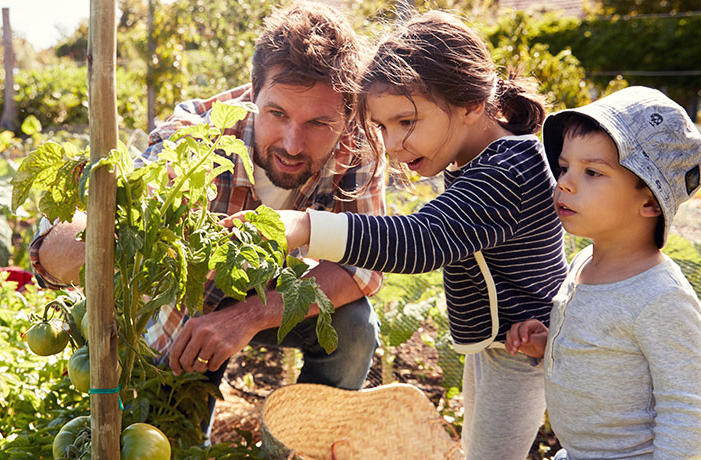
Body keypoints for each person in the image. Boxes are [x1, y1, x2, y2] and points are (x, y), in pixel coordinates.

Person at [232, 11, 570, 460]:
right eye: (383, 126)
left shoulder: (507, 172)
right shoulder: (483, 161)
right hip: (503, 345)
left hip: (522, 351)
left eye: (406, 122)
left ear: (471, 105)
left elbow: (420, 239)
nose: (391, 144)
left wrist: (305, 227)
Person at [31, 2, 385, 397]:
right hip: (190, 310)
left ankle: (307, 442)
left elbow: (363, 266)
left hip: (276, 294)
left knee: (354, 327)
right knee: (173, 431)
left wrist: (249, 315)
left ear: (348, 113)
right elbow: (120, 212)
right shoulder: (197, 136)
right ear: (253, 92)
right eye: (277, 113)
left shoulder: (359, 146)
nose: (292, 143)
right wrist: (76, 243)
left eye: (318, 123)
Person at [505, 86, 701, 459]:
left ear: (649, 200)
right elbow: (607, 351)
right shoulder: (585, 262)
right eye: (565, 167)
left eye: (593, 172)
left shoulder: (662, 299)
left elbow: (683, 416)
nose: (564, 182)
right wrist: (550, 342)